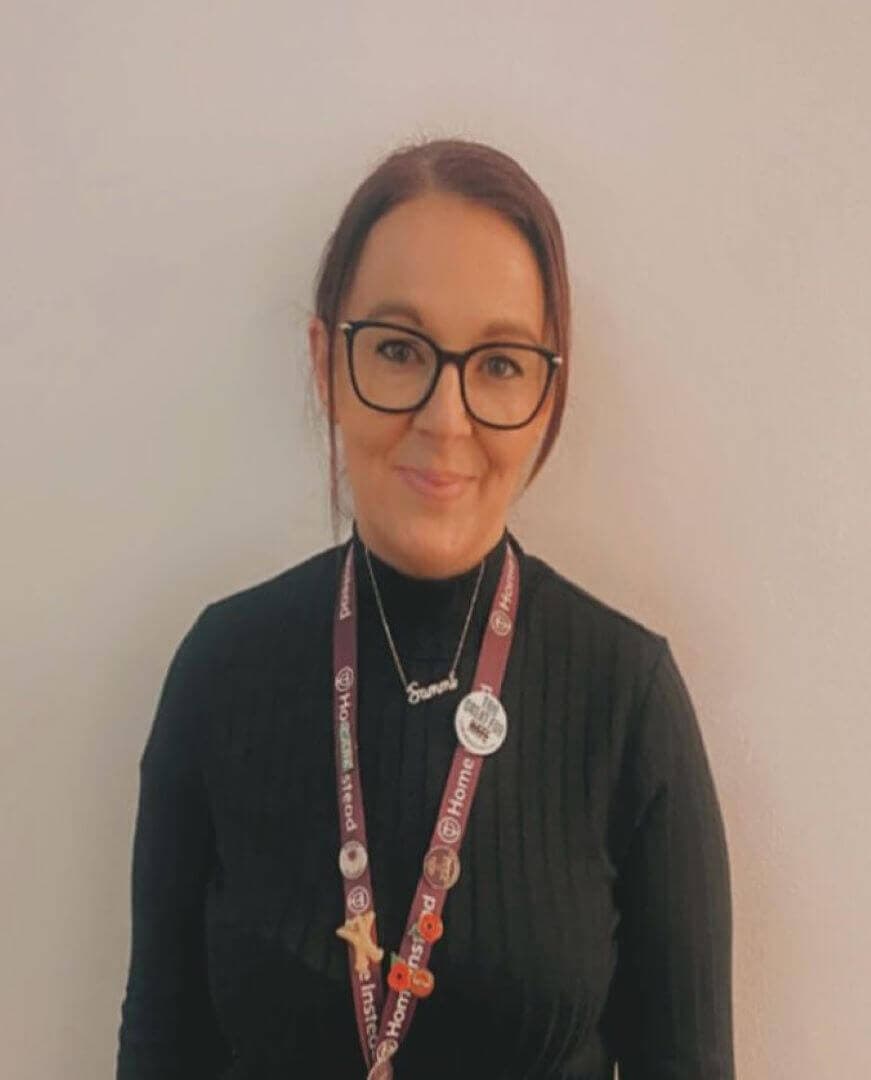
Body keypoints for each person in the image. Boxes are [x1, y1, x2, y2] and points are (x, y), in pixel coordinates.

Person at [115, 137, 735, 1079]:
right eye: (399, 350)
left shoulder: (626, 697)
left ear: (547, 394)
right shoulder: (220, 669)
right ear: (326, 361)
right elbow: (158, 1050)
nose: (446, 420)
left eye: (497, 365)